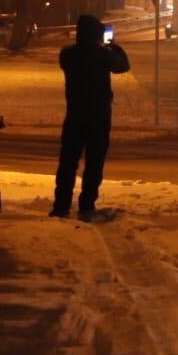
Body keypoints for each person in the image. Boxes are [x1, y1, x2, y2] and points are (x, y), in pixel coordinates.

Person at [51, 14, 130, 219]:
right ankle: (86, 205)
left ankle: (61, 205)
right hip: (98, 117)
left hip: (74, 115)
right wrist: (114, 45)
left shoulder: (67, 54)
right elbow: (123, 66)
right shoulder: (103, 54)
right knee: (94, 164)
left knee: (68, 163)